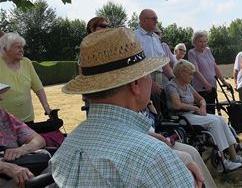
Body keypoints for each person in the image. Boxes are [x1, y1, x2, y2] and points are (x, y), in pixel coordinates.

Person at [51, 28, 194, 187]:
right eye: (148, 74)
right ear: (135, 84)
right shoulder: (152, 157)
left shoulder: (67, 146)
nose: (151, 81)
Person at [166, 59, 242, 172]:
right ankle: (223, 162)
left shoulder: (188, 86)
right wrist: (195, 108)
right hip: (181, 117)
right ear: (181, 73)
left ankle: (234, 157)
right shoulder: (171, 86)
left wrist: (202, 106)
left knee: (221, 119)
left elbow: (201, 99)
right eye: (190, 74)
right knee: (215, 122)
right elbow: (177, 105)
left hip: (192, 114)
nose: (192, 76)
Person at [140, 103, 216, 188]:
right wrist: (162, 138)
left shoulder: (144, 107)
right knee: (186, 157)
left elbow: (156, 120)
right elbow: (140, 132)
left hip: (160, 140)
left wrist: (149, 104)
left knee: (192, 151)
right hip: (151, 143)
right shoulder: (132, 109)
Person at [0, 83, 47, 188]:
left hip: (21, 170)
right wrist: (5, 167)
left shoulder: (3, 116)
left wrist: (23, 149)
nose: (1, 98)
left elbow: (39, 140)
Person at [0, 33, 52, 123]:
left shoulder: (27, 63)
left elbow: (38, 87)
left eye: (22, 47)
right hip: (4, 122)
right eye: (17, 47)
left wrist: (46, 106)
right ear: (5, 48)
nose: (21, 50)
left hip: (28, 119)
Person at [188, 31, 231, 114]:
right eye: (200, 41)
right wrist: (205, 83)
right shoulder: (192, 53)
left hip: (212, 86)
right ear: (195, 42)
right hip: (201, 88)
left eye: (205, 41)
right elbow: (195, 71)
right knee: (204, 112)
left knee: (212, 111)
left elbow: (215, 66)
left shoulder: (208, 50)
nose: (203, 44)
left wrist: (223, 81)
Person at [134, 9, 174, 96]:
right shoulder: (134, 36)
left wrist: (173, 79)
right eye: (154, 18)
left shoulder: (155, 37)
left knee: (159, 107)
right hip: (143, 79)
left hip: (159, 77)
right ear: (143, 20)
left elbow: (163, 61)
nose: (156, 21)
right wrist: (150, 82)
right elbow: (136, 64)